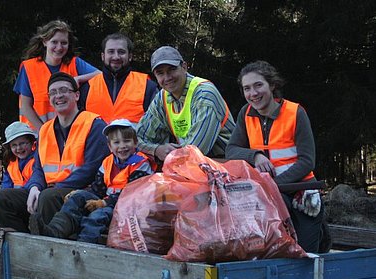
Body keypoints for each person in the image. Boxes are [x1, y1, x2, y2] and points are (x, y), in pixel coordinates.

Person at [225, 60, 324, 252]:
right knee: (266, 249)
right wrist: (255, 156)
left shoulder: (295, 113)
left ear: (272, 85)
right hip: (266, 195)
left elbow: (307, 161)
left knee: (306, 253)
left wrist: (274, 186)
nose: (253, 93)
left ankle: (321, 232)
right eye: (247, 88)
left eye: (258, 85)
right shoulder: (245, 114)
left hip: (300, 191)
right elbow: (232, 149)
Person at [0, 72, 110, 232]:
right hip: (49, 190)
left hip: (82, 191)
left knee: (48, 197)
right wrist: (34, 187)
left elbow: (92, 169)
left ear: (76, 95)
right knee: (1, 198)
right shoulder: (45, 129)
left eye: (63, 90)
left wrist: (52, 188)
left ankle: (48, 247)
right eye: (53, 92)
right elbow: (39, 169)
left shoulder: (94, 124)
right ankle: (21, 244)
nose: (58, 96)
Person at [29, 119, 154, 242]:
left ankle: (84, 246)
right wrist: (79, 192)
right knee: (76, 198)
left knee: (97, 216)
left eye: (127, 141)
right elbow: (97, 189)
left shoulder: (140, 163)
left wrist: (104, 203)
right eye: (116, 142)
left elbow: (132, 196)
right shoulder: (108, 162)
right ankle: (55, 231)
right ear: (110, 146)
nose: (122, 146)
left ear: (136, 143)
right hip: (107, 201)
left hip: (128, 208)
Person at [136, 46, 235, 163]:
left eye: (172, 69)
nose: (167, 77)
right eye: (160, 73)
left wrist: (171, 155)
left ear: (184, 67)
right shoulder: (162, 97)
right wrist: (157, 150)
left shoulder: (204, 94)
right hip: (189, 164)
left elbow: (196, 150)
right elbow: (137, 138)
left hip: (225, 163)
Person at [14, 20, 101, 131]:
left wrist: (78, 79)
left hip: (69, 132)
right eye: (54, 42)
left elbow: (100, 75)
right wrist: (45, 131)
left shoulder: (74, 63)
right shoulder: (29, 67)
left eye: (64, 43)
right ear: (45, 42)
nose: (59, 47)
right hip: (37, 135)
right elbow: (26, 107)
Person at [79, 33, 158, 124]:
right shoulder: (87, 88)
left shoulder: (147, 86)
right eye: (111, 51)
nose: (116, 57)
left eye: (121, 52)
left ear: (130, 56)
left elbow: (157, 124)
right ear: (103, 56)